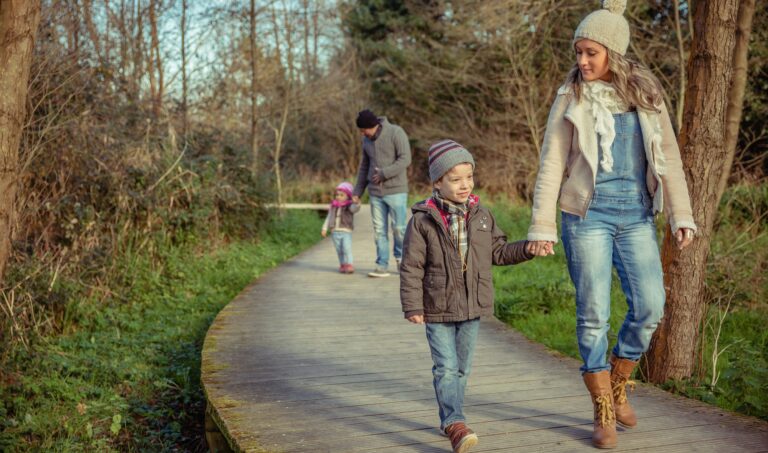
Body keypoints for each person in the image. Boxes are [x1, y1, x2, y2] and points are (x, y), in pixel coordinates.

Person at [526, 0, 697, 448]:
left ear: (613, 53)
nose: (581, 61)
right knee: (593, 316)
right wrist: (542, 226)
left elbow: (669, 160)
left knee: (650, 307)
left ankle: (619, 383)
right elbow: (552, 163)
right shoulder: (572, 95)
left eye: (591, 53)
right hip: (587, 216)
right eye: (578, 52)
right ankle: (602, 405)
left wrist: (682, 215)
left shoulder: (646, 92)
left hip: (637, 214)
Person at [400, 140, 535, 453]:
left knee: (462, 369)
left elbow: (498, 252)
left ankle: (450, 416)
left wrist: (528, 248)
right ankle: (455, 422)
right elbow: (411, 267)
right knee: (445, 367)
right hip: (436, 306)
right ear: (437, 182)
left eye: (469, 177)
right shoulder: (423, 221)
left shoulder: (482, 216)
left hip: (471, 305)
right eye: (455, 178)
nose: (465, 184)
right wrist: (412, 305)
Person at [351, 109, 412, 278]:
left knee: (399, 229)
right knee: (379, 231)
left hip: (396, 191)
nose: (363, 133)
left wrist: (385, 173)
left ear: (373, 125)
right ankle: (381, 265)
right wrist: (357, 192)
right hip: (375, 193)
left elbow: (405, 158)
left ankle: (401, 259)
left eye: (364, 130)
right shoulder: (366, 141)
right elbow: (364, 167)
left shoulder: (396, 132)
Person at [321, 182, 360, 274]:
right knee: (339, 250)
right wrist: (324, 228)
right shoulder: (333, 206)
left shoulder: (349, 206)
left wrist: (357, 204)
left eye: (341, 195)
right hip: (335, 232)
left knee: (347, 248)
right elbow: (329, 217)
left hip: (346, 231)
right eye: (337, 195)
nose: (338, 197)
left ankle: (349, 264)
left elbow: (355, 209)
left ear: (348, 196)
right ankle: (342, 264)